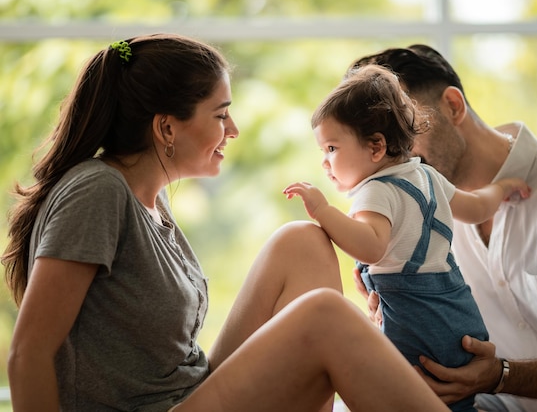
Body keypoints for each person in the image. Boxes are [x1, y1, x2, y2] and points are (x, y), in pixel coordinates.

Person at [1, 34, 452, 412]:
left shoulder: (151, 200)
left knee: (302, 242)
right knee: (326, 316)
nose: (233, 128)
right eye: (220, 114)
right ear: (166, 129)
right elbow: (28, 353)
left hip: (189, 393)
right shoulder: (96, 190)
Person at [347, 44, 537, 411]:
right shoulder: (413, 214)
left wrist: (502, 375)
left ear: (453, 106)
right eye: (376, 144)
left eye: (403, 130)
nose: (389, 158)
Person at [283, 64, 530, 412]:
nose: (324, 162)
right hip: (457, 312)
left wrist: (323, 211)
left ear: (376, 146)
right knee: (447, 396)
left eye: (332, 149)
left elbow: (371, 245)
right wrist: (502, 187)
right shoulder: (427, 175)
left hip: (416, 319)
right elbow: (476, 208)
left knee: (377, 388)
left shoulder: (375, 192)